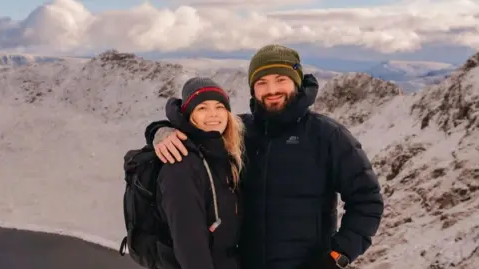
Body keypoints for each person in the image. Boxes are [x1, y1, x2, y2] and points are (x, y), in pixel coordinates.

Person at [147, 45, 384, 269]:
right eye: (262, 82)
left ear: (297, 83)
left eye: (281, 80)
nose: (272, 90)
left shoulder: (328, 135)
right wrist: (160, 130)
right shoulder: (238, 132)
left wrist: (338, 255)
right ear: (253, 89)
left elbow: (367, 200)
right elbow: (199, 129)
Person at [145, 77, 244, 269]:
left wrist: (156, 129)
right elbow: (189, 246)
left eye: (219, 107)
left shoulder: (222, 154)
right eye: (202, 108)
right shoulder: (181, 163)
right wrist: (158, 131)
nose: (213, 114)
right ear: (189, 116)